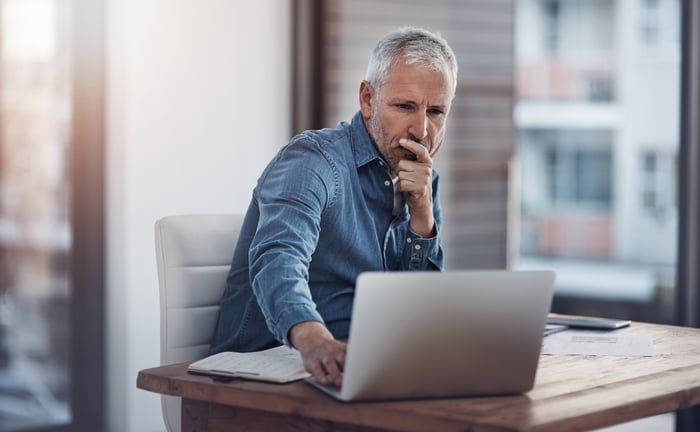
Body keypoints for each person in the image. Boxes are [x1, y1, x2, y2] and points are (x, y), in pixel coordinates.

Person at [210, 27, 458, 387]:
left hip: (363, 370)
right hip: (272, 373)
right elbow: (279, 257)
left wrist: (422, 220)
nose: (421, 129)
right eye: (405, 106)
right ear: (368, 98)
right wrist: (314, 339)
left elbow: (416, 314)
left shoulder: (421, 180)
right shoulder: (313, 161)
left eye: (436, 111)